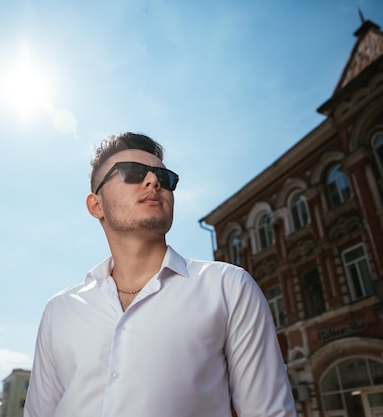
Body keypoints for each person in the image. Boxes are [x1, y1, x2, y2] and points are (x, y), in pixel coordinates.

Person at [24, 132, 296, 417]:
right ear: (96, 205)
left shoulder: (228, 287)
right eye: (131, 173)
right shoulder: (60, 310)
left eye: (164, 178)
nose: (153, 181)